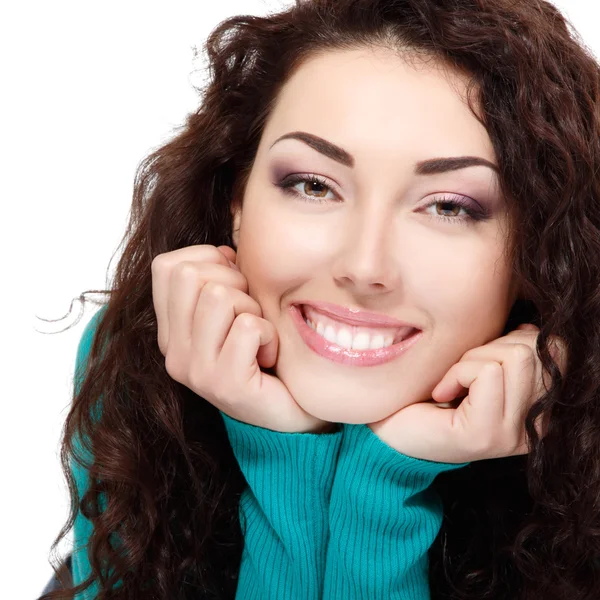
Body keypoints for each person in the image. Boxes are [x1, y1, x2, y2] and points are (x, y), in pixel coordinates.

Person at [40, 0, 600, 598]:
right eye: (314, 186)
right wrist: (283, 457)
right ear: (237, 201)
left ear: (537, 254)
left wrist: (382, 492)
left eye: (448, 206)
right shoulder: (141, 360)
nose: (365, 267)